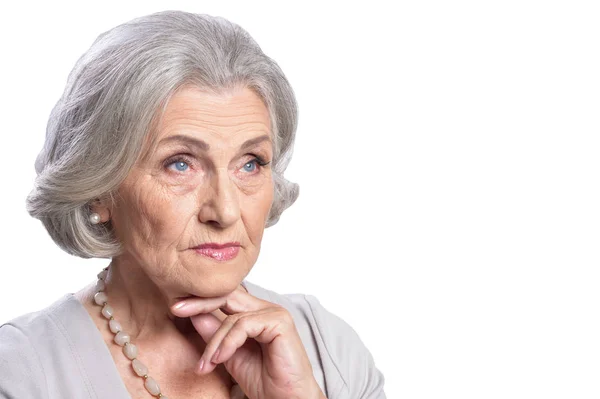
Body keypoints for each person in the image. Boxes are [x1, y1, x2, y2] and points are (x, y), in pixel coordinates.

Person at [0, 10, 386, 399]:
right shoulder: (23, 372)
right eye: (180, 164)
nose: (226, 211)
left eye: (250, 163)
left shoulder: (327, 348)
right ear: (100, 189)